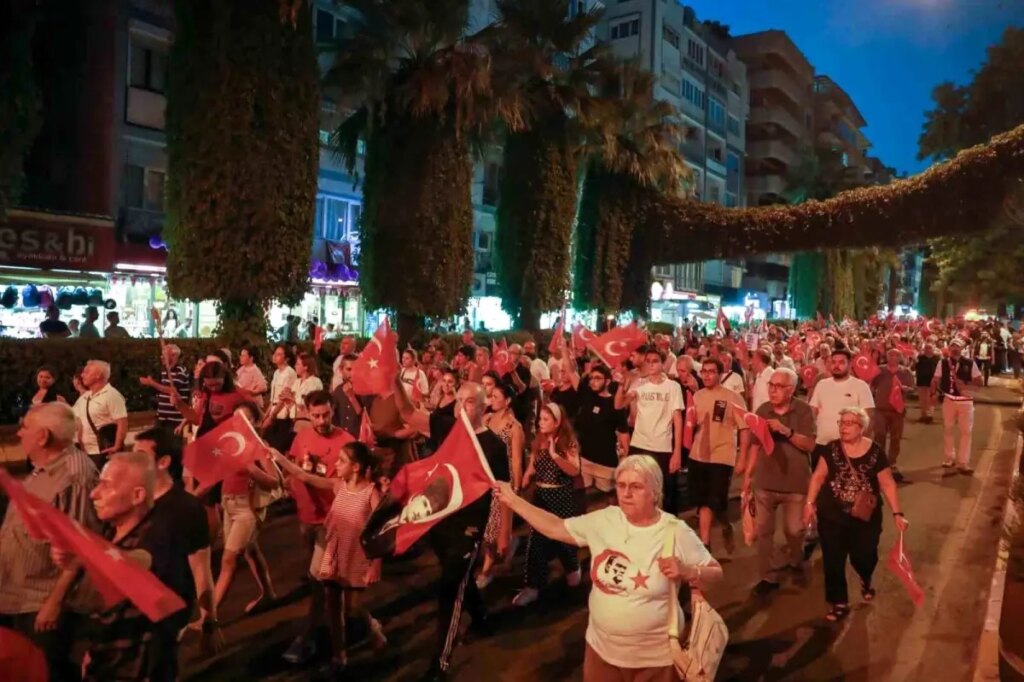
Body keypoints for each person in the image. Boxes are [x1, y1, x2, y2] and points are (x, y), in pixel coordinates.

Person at [493, 455, 723, 680]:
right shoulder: (605, 520)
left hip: (656, 661)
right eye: (621, 485)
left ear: (655, 492)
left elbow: (716, 573)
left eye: (636, 486)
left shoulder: (674, 531)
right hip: (601, 653)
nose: (626, 493)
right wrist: (513, 500)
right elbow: (557, 527)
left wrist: (688, 571)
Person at [366, 382, 509, 681]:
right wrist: (395, 381)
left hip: (469, 526)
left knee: (450, 589)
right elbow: (408, 412)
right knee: (458, 578)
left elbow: (504, 491)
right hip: (440, 520)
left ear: (483, 406)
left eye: (469, 401)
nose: (462, 407)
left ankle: (440, 664)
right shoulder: (448, 428)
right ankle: (481, 618)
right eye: (459, 400)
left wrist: (503, 531)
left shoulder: (494, 446)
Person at [0, 403, 99, 681]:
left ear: (43, 436)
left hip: (42, 604)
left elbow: (80, 547)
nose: (19, 433)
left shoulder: (75, 477)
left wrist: (54, 602)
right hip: (18, 597)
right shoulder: (43, 469)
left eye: (25, 427)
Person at [271, 441, 386, 678]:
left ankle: (372, 629)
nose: (336, 464)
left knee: (353, 608)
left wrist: (376, 564)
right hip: (334, 553)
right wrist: (279, 458)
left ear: (355, 467)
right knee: (333, 607)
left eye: (342, 461)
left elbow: (381, 530)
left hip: (355, 557)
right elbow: (304, 476)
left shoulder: (371, 494)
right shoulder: (338, 486)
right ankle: (339, 655)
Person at [803, 406, 908, 622]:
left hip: (865, 518)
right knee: (833, 559)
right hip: (832, 515)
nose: (844, 427)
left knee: (865, 555)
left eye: (849, 423)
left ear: (862, 428)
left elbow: (887, 483)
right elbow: (818, 476)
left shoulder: (875, 452)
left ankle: (865, 576)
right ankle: (838, 602)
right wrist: (809, 502)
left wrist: (897, 513)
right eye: (842, 423)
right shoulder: (831, 449)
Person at [132, 427, 222, 672]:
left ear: (163, 462)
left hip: (167, 614)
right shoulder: (132, 500)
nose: (132, 460)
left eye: (140, 455)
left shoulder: (186, 509)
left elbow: (201, 569)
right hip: (131, 610)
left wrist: (209, 623)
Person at [282, 391, 359, 667]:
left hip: (333, 523)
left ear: (333, 411)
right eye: (315, 416)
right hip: (307, 519)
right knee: (324, 584)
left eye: (326, 415)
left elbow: (351, 485)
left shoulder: (347, 442)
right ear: (307, 413)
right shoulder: (302, 437)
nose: (321, 420)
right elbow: (293, 468)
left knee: (324, 584)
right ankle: (361, 629)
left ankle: (324, 643)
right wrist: (291, 485)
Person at [741, 368, 817, 596]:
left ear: (791, 390)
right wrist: (748, 476)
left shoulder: (803, 410)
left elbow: (810, 445)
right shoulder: (763, 410)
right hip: (765, 482)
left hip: (795, 483)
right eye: (771, 385)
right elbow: (755, 445)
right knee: (764, 531)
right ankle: (768, 575)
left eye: (779, 386)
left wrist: (786, 431)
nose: (773, 390)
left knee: (794, 530)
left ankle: (796, 557)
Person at [513, 403, 582, 607]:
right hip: (541, 497)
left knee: (563, 539)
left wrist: (555, 455)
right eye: (540, 419)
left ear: (557, 422)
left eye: (545, 419)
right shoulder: (540, 440)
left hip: (561, 497)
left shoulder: (568, 442)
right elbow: (533, 465)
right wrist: (524, 480)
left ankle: (572, 567)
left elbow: (574, 470)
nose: (540, 423)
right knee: (536, 542)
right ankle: (533, 586)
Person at [689, 357, 749, 553]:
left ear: (720, 374)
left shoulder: (733, 398)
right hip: (698, 455)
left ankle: (725, 525)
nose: (706, 375)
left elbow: (745, 428)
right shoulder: (697, 396)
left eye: (711, 371)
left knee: (717, 502)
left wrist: (742, 457)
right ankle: (705, 545)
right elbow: (691, 424)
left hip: (722, 457)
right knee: (704, 502)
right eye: (704, 371)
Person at [616, 348, 684, 515]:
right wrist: (621, 385)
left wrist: (677, 452)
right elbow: (619, 405)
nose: (651, 364)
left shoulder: (673, 387)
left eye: (655, 361)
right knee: (636, 486)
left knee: (665, 492)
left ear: (662, 363)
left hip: (662, 446)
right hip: (639, 444)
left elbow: (677, 419)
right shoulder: (639, 384)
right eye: (648, 361)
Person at [477, 381, 525, 589]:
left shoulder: (514, 427)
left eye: (496, 397)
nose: (491, 400)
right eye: (491, 396)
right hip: (483, 479)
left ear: (507, 401)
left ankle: (486, 571)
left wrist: (515, 490)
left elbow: (516, 461)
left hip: (501, 482)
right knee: (483, 528)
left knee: (491, 531)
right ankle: (509, 543)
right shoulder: (486, 419)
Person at [809, 349, 875, 467]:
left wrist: (861, 443)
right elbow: (812, 412)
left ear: (849, 364)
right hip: (821, 444)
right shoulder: (822, 384)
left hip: (848, 446)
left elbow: (869, 417)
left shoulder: (860, 386)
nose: (836, 366)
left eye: (841, 362)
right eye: (833, 362)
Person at [570, 363, 630, 495]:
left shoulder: (616, 403)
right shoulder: (587, 395)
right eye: (591, 378)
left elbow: (624, 434)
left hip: (606, 463)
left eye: (597, 378)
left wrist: (623, 462)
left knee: (606, 501)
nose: (593, 381)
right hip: (584, 460)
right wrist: (564, 351)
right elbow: (571, 372)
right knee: (581, 499)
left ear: (607, 381)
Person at [931, 339, 983, 474]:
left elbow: (979, 382)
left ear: (962, 348)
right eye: (952, 346)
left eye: (957, 346)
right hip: (949, 399)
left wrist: (966, 385)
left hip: (966, 401)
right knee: (948, 429)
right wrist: (933, 394)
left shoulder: (970, 363)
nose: (955, 349)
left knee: (966, 432)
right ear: (949, 348)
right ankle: (949, 458)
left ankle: (963, 462)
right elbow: (935, 379)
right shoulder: (942, 363)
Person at [870, 349, 914, 482]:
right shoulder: (879, 370)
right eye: (890, 355)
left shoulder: (906, 372)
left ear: (900, 358)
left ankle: (892, 463)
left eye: (896, 355)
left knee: (896, 438)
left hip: (897, 410)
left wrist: (906, 389)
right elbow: (871, 385)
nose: (893, 357)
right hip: (880, 409)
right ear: (886, 357)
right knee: (879, 435)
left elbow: (912, 388)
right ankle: (879, 462)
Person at [72, 360, 128, 465]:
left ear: (97, 375)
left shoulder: (111, 395)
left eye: (86, 372)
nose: (82, 375)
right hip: (85, 453)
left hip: (103, 452)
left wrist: (117, 446)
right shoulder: (85, 397)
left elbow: (122, 422)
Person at [139, 343, 192, 432]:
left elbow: (172, 390)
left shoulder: (181, 371)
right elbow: (162, 388)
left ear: (174, 356)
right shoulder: (164, 370)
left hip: (175, 420)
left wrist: (152, 383)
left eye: (164, 354)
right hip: (162, 418)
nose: (161, 357)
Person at [264, 344, 298, 451]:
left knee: (277, 447)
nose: (275, 356)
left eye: (279, 354)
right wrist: (266, 414)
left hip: (283, 414)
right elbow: (273, 398)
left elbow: (284, 397)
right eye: (275, 353)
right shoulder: (276, 373)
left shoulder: (289, 372)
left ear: (286, 358)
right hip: (274, 411)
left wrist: (272, 416)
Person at [330, 353, 364, 440]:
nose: (352, 373)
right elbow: (334, 418)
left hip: (358, 438)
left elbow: (365, 418)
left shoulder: (365, 390)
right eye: (349, 369)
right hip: (341, 438)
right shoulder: (338, 390)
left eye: (356, 369)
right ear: (341, 370)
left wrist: (352, 397)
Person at [292, 352, 325, 432]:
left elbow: (310, 403)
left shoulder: (314, 382)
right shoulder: (296, 382)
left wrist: (293, 400)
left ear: (305, 367)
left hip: (307, 421)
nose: (295, 366)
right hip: (295, 420)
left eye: (298, 364)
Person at [235, 344, 269, 410]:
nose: (240, 357)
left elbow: (263, 387)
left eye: (243, 356)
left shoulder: (255, 371)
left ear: (251, 358)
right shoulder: (241, 369)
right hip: (244, 403)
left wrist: (251, 392)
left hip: (253, 405)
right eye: (241, 355)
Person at [913, 343, 939, 423]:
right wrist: (914, 361)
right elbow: (914, 367)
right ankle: (923, 414)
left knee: (931, 398)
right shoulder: (920, 358)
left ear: (933, 349)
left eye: (929, 348)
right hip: (921, 380)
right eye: (926, 348)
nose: (927, 350)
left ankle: (930, 414)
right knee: (922, 398)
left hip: (933, 380)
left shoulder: (937, 358)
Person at [749, 347, 775, 411]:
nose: (751, 362)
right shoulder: (758, 375)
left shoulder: (771, 375)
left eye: (753, 358)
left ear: (759, 360)